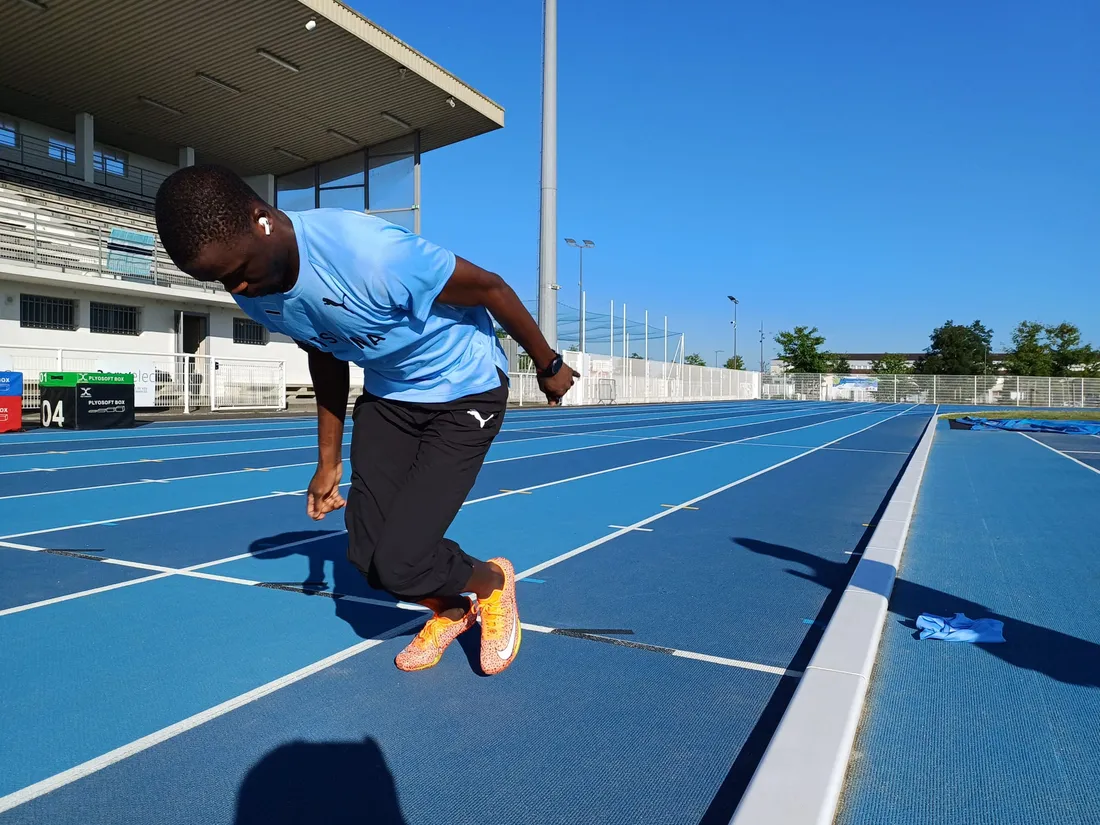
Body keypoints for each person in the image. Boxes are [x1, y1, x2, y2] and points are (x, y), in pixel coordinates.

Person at [154, 165, 577, 675]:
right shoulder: (254, 289)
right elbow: (325, 354)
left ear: (261, 220)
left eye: (238, 270)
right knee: (367, 558)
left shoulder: (369, 255)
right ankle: (451, 609)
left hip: (465, 388)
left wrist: (548, 364)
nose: (237, 287)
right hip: (390, 396)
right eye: (221, 281)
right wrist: (327, 463)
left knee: (403, 560)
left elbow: (491, 289)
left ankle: (491, 582)